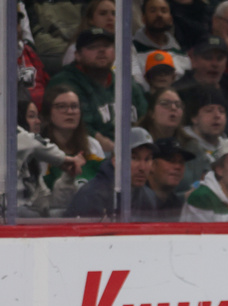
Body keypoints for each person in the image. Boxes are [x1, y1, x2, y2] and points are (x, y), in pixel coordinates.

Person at [46, 27, 149, 156]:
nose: (101, 50)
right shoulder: (65, 83)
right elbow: (77, 126)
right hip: (89, 152)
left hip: (133, 151)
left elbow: (146, 118)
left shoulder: (126, 83)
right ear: (77, 55)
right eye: (93, 47)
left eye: (107, 46)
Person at [65, 127, 157, 219]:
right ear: (115, 161)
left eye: (147, 159)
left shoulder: (148, 197)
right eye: (134, 158)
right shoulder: (92, 196)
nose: (142, 167)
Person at [132, 0, 191, 90]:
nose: (159, 15)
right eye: (153, 11)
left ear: (171, 19)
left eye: (164, 11)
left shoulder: (181, 55)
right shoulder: (131, 51)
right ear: (143, 18)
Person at [180, 84, 227, 187]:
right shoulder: (183, 145)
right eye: (209, 110)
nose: (217, 115)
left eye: (221, 111)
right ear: (194, 117)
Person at [146, 136, 195, 220]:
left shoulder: (176, 204)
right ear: (152, 165)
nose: (178, 167)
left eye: (181, 162)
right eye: (171, 160)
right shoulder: (135, 198)